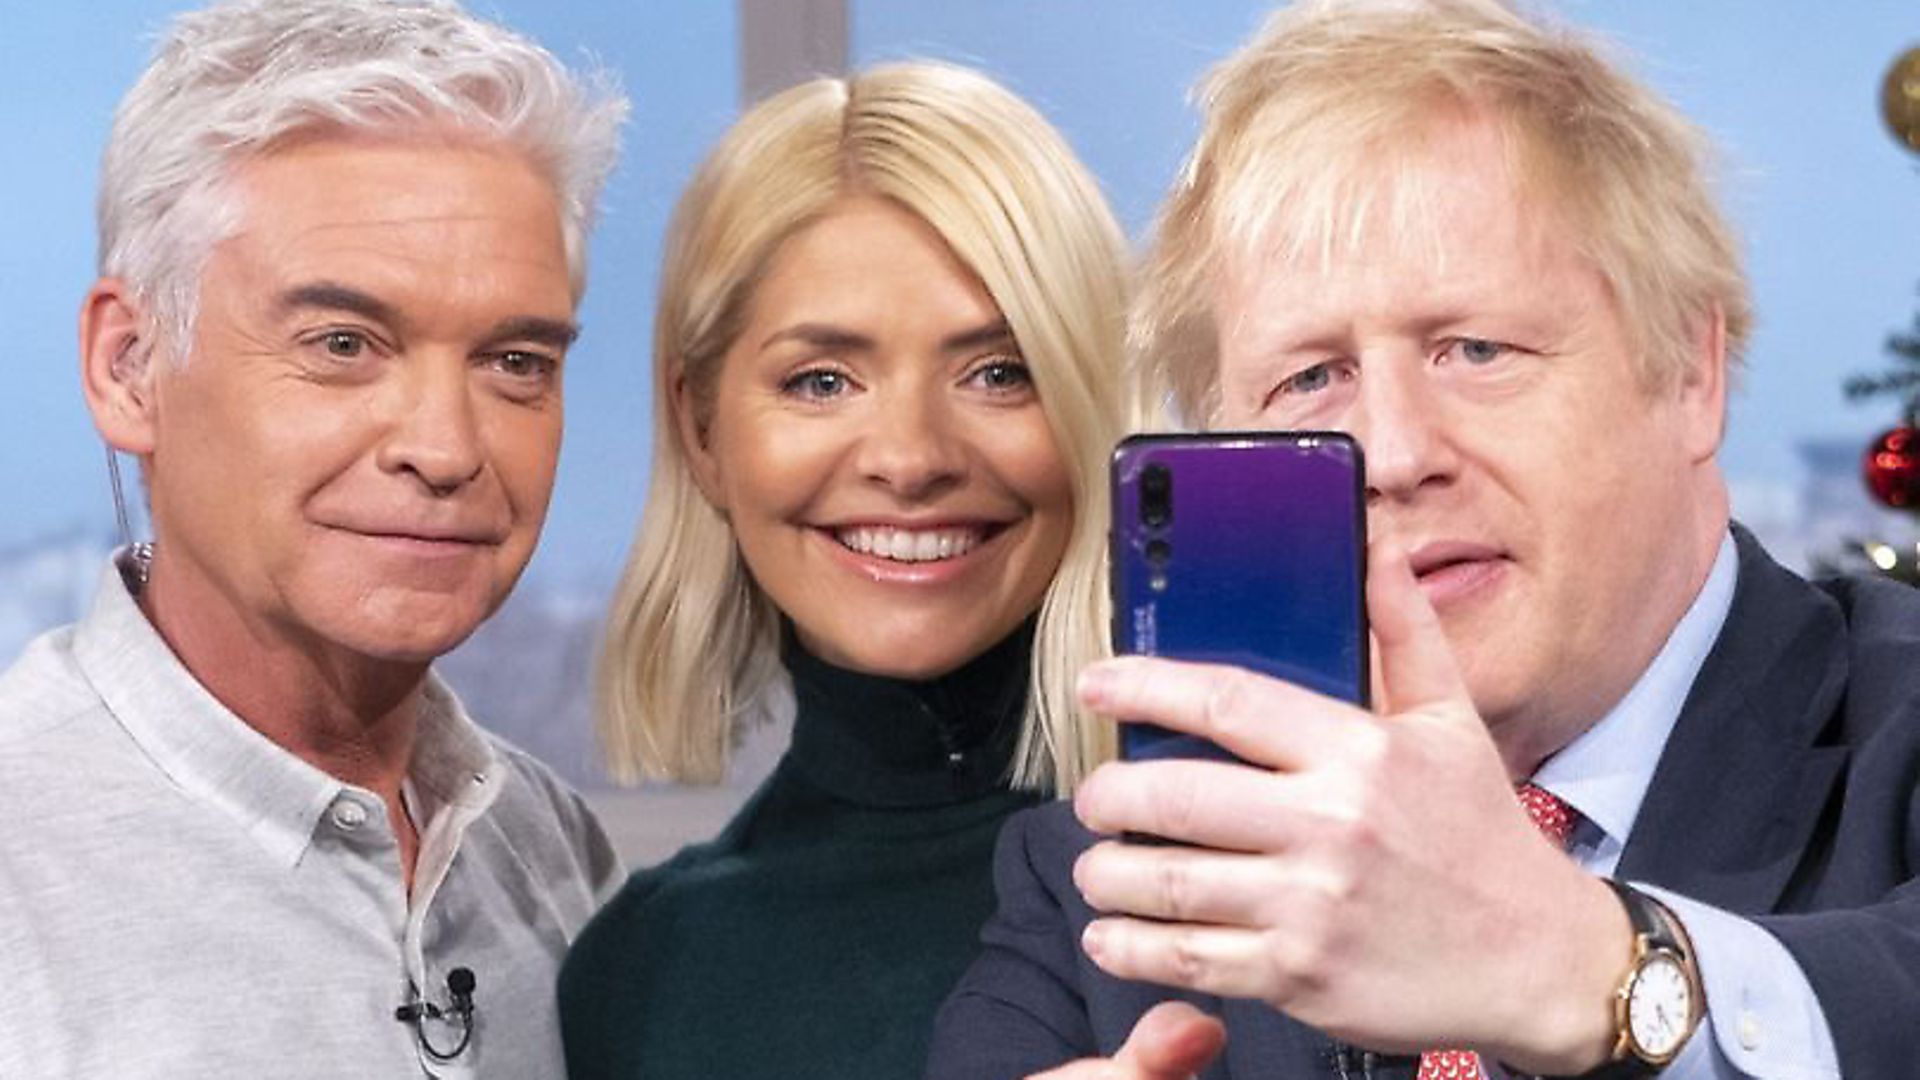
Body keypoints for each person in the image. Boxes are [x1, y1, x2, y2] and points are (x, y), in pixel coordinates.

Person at [927, 1, 1920, 1078]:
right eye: (1312, 379)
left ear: (1688, 373)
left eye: (1475, 349)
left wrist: (1589, 969)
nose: (1394, 455)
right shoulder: (1111, 893)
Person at [0, 1, 627, 1076]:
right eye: (343, 344)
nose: (445, 447)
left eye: (516, 361)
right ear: (129, 366)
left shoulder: (555, 853)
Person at [557, 60, 1128, 1080]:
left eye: (1000, 372)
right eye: (822, 380)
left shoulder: (1273, 871)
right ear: (699, 428)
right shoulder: (636, 975)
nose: (910, 458)